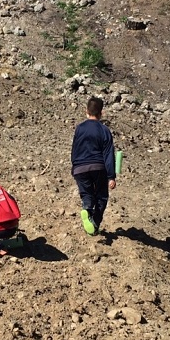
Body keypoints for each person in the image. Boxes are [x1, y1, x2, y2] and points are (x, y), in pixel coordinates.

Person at [71, 97, 116, 236]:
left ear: (86, 111)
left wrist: (75, 167)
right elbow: (108, 154)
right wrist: (111, 176)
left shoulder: (80, 128)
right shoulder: (104, 130)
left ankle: (87, 210)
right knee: (102, 196)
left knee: (87, 194)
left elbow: (74, 149)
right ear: (101, 113)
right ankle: (95, 223)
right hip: (98, 166)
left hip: (79, 167)